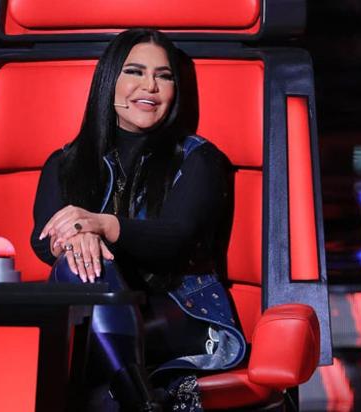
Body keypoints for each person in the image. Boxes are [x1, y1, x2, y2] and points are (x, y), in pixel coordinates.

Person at [31, 28, 246, 411]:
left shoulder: (198, 158)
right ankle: (135, 397)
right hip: (99, 315)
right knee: (77, 266)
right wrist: (79, 238)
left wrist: (102, 225)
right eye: (134, 71)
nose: (150, 86)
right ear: (109, 80)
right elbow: (44, 238)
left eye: (164, 76)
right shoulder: (65, 163)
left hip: (181, 314)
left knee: (77, 340)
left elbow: (176, 238)